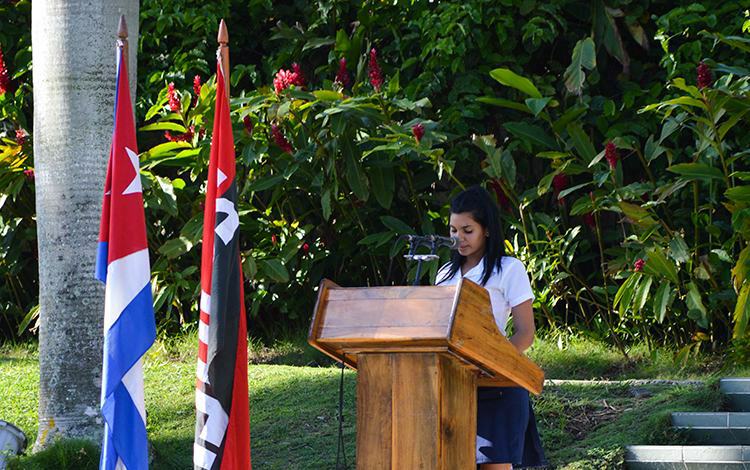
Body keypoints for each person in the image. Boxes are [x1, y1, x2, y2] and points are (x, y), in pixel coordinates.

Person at [435, 185, 547, 470]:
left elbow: (525, 333)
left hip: (497, 385)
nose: (459, 238)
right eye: (453, 230)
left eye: (467, 230)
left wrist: (491, 364)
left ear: (487, 229)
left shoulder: (508, 269)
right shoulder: (444, 274)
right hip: (452, 385)